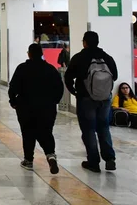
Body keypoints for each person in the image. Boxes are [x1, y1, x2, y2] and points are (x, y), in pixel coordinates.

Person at [65, 31, 118, 173]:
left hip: (86, 98)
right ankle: (110, 159)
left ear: (85, 42)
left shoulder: (79, 58)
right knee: (104, 127)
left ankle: (93, 162)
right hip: (105, 99)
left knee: (88, 130)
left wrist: (74, 91)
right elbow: (115, 75)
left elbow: (68, 76)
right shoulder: (107, 58)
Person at [9, 44, 64, 174]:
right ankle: (50, 155)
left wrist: (13, 101)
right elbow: (59, 88)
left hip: (26, 107)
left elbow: (13, 87)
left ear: (29, 54)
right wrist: (54, 102)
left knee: (28, 133)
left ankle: (28, 160)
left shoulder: (22, 68)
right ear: (41, 54)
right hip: (47, 108)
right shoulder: (50, 69)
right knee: (46, 131)